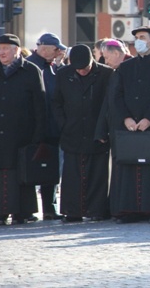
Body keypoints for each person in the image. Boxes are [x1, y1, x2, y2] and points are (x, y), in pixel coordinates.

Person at [0, 34, 46, 225]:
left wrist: (39, 134)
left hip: (22, 134)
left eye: (6, 48)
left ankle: (21, 212)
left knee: (20, 174)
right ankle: (0, 212)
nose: (1, 52)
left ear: (16, 50)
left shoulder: (31, 70)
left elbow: (40, 105)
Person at [108, 26, 150, 224]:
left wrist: (149, 119)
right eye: (136, 37)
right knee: (129, 168)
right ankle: (129, 210)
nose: (139, 40)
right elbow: (116, 96)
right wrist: (126, 118)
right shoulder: (125, 67)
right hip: (129, 127)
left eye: (143, 37)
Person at [52, 45, 113, 222]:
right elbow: (57, 102)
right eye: (78, 69)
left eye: (85, 68)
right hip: (72, 131)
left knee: (97, 174)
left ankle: (97, 210)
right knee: (72, 175)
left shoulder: (106, 74)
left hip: (97, 131)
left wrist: (104, 129)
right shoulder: (64, 74)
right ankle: (72, 211)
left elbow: (109, 104)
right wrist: (63, 124)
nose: (82, 72)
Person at [27, 32, 67, 221]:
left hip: (51, 128)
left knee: (50, 170)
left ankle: (49, 209)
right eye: (56, 49)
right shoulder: (30, 66)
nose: (58, 52)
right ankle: (27, 209)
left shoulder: (52, 67)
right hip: (33, 128)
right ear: (43, 49)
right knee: (29, 169)